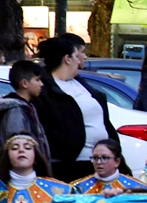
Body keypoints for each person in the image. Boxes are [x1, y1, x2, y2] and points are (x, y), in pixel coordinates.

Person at [32, 37, 118, 182]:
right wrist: (70, 146)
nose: (79, 61)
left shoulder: (80, 83)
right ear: (67, 59)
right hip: (72, 165)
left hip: (100, 163)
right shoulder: (45, 89)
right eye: (76, 56)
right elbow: (46, 128)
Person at [0, 60, 50, 157]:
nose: (41, 84)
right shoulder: (16, 111)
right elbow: (17, 144)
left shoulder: (27, 106)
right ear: (24, 83)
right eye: (37, 80)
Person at [71, 138, 147, 194]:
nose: (98, 162)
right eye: (95, 158)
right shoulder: (77, 188)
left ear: (117, 162)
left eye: (105, 158)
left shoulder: (137, 188)